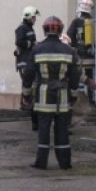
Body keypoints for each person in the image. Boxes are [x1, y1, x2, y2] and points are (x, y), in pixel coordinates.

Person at [23, 16, 81, 170]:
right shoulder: (69, 50)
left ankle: (41, 163)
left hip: (43, 96)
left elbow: (28, 74)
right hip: (62, 97)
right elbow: (75, 76)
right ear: (60, 30)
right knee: (62, 130)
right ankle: (65, 163)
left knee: (43, 130)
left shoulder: (37, 49)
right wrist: (73, 95)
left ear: (44, 29)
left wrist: (26, 94)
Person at [14, 5, 40, 130]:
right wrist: (33, 44)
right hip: (24, 62)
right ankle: (27, 107)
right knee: (29, 86)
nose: (35, 19)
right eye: (33, 17)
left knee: (30, 87)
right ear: (27, 16)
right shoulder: (22, 28)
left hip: (29, 61)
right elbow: (19, 42)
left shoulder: (28, 28)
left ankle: (29, 108)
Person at [67, 0, 96, 104]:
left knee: (77, 75)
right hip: (90, 54)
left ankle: (74, 98)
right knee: (90, 75)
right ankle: (91, 98)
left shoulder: (76, 21)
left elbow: (69, 36)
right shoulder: (92, 21)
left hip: (79, 55)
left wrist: (74, 47)